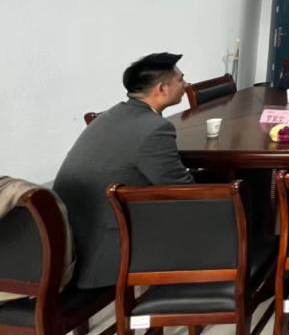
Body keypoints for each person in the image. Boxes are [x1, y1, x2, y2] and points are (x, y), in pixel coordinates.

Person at [53, 52, 195, 289]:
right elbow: (182, 190)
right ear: (161, 89)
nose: (186, 84)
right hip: (106, 251)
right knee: (224, 207)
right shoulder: (155, 128)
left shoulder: (110, 115)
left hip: (73, 239)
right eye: (181, 80)